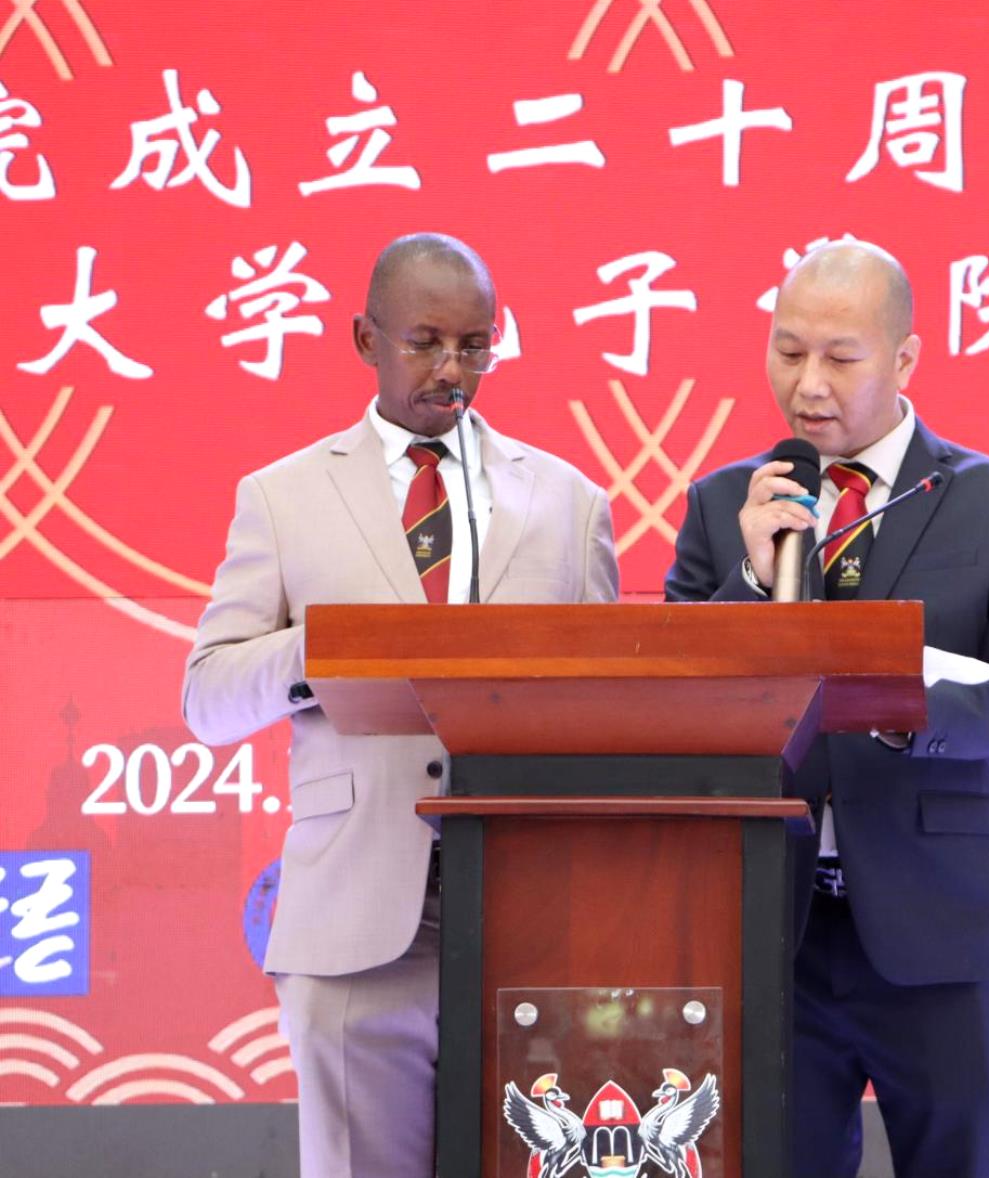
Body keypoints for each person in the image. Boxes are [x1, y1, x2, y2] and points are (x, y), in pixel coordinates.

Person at [183, 233, 619, 1178]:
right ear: (364, 338)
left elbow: (609, 713)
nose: (452, 371)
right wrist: (327, 649)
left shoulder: (571, 502)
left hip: (535, 916)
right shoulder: (283, 497)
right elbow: (208, 698)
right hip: (356, 922)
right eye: (424, 342)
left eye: (475, 345)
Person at [665, 241, 989, 1178]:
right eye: (787, 350)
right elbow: (681, 702)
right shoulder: (726, 502)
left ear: (905, 359)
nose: (808, 383)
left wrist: (909, 708)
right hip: (774, 932)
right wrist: (747, 581)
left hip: (940, 936)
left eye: (840, 357)